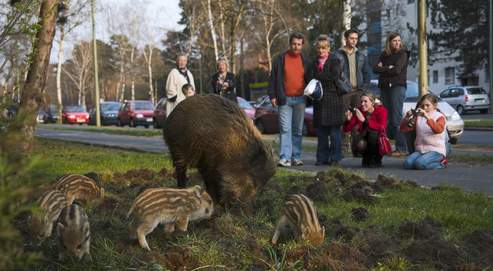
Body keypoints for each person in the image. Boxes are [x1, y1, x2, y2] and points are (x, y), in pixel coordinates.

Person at [269, 32, 310, 167]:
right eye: (294, 44)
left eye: (299, 44)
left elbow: (310, 79)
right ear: (290, 44)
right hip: (284, 99)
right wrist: (273, 96)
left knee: (297, 130)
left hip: (300, 99)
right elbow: (273, 78)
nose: (296, 47)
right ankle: (284, 157)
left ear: (302, 45)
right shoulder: (280, 59)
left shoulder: (305, 60)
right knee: (285, 129)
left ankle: (296, 157)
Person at [311, 35, 346, 166]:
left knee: (335, 133)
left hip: (334, 100)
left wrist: (318, 77)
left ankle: (335, 158)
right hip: (319, 101)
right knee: (321, 133)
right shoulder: (313, 62)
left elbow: (333, 76)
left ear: (329, 48)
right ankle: (322, 158)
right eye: (319, 48)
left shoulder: (335, 60)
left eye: (324, 48)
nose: (321, 50)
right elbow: (310, 77)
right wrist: (320, 78)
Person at [373, 32, 409, 157]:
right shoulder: (384, 54)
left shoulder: (403, 54)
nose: (397, 43)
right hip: (384, 87)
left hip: (397, 87)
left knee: (396, 119)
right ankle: (385, 147)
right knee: (386, 118)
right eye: (394, 41)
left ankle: (402, 148)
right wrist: (389, 68)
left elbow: (398, 70)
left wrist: (384, 68)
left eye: (399, 40)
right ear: (389, 42)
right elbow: (375, 69)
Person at [400, 94, 448, 170]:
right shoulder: (418, 117)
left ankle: (442, 163)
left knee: (419, 164)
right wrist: (407, 117)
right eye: (422, 106)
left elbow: (438, 130)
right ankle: (423, 163)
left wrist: (427, 117)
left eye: (427, 105)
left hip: (436, 150)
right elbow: (404, 129)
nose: (425, 108)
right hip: (420, 150)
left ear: (434, 105)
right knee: (407, 164)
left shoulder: (440, 116)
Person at [343, 92, 388, 168]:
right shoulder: (359, 110)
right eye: (361, 102)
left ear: (372, 102)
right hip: (364, 138)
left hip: (379, 140)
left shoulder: (382, 111)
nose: (362, 104)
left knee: (373, 133)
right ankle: (366, 158)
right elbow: (347, 129)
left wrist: (365, 121)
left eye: (365, 101)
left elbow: (382, 127)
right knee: (361, 143)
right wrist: (348, 120)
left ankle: (376, 159)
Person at [335, 29, 371, 109]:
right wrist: (342, 89)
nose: (354, 41)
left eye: (356, 39)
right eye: (351, 38)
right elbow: (335, 75)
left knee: (357, 118)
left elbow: (367, 74)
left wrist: (362, 90)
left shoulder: (361, 56)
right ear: (346, 39)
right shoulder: (337, 55)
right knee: (344, 119)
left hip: (358, 93)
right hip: (344, 93)